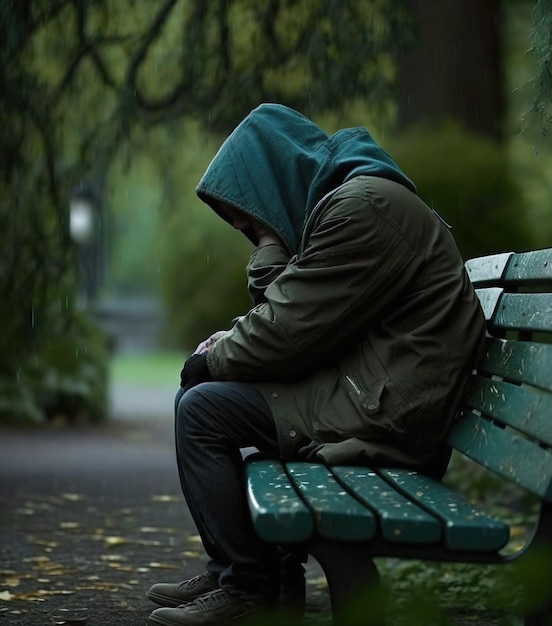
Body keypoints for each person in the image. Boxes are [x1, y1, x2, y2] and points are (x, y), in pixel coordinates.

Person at [146, 103, 485, 626]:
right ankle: (241, 572)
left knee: (202, 410)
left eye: (246, 215)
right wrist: (226, 344)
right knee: (203, 400)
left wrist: (216, 353)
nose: (246, 228)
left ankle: (251, 588)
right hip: (370, 390)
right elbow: (297, 314)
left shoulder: (363, 207)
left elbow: (287, 329)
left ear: (272, 178)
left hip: (385, 413)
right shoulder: (348, 199)